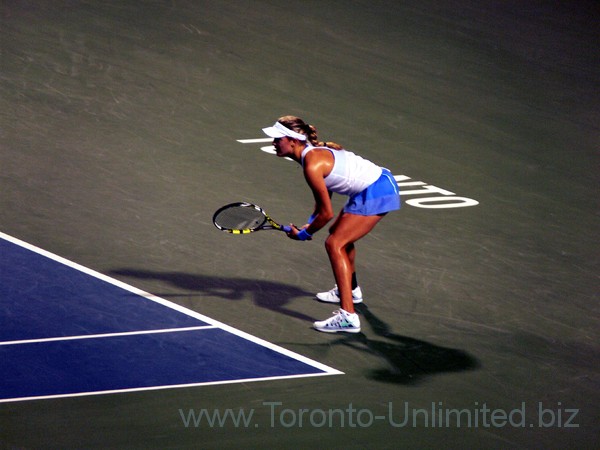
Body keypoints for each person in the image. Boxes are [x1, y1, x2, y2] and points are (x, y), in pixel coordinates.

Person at [262, 116, 400, 333]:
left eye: (278, 139)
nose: (274, 143)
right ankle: (350, 290)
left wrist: (304, 235)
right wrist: (308, 226)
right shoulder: (311, 157)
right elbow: (321, 206)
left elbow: (327, 213)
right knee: (340, 235)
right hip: (375, 185)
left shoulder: (312, 164)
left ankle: (348, 317)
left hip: (377, 190)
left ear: (292, 140)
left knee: (334, 243)